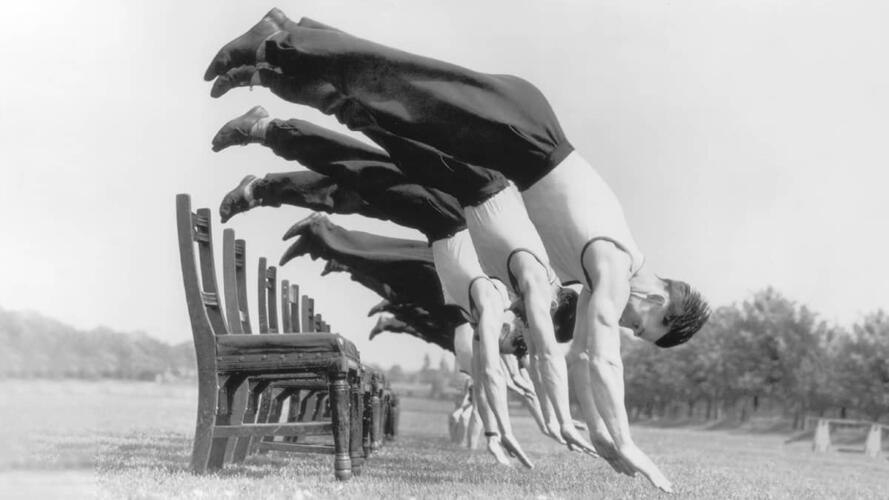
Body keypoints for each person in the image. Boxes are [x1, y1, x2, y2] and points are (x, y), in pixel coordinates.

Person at [204, 9, 712, 491]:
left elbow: (578, 357)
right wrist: (621, 440)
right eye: (639, 326)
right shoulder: (614, 265)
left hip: (497, 162)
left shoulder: (593, 282)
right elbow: (598, 356)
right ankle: (282, 40)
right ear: (660, 303)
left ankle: (273, 61)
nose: (627, 325)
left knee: (379, 109)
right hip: (523, 132)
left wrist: (591, 432)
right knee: (403, 84)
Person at [213, 116, 534, 467]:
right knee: (362, 166)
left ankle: (289, 207)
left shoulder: (491, 320)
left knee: (361, 184)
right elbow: (497, 371)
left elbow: (493, 375)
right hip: (449, 216)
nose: (496, 342)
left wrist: (498, 429)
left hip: (442, 225)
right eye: (509, 341)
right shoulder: (496, 302)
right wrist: (525, 422)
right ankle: (267, 142)